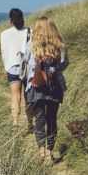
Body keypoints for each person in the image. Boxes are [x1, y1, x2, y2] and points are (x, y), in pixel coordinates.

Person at [24, 17, 68, 160]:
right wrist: (54, 69)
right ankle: (50, 151)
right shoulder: (60, 46)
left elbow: (26, 61)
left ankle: (41, 150)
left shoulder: (31, 45)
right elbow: (64, 64)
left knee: (39, 119)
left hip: (36, 85)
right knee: (51, 119)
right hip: (54, 86)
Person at [0, 8, 30, 126]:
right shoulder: (29, 31)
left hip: (12, 66)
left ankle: (15, 121)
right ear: (22, 18)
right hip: (27, 66)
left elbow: (4, 52)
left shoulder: (4, 34)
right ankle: (30, 123)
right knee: (28, 96)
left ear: (10, 20)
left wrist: (6, 66)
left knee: (15, 95)